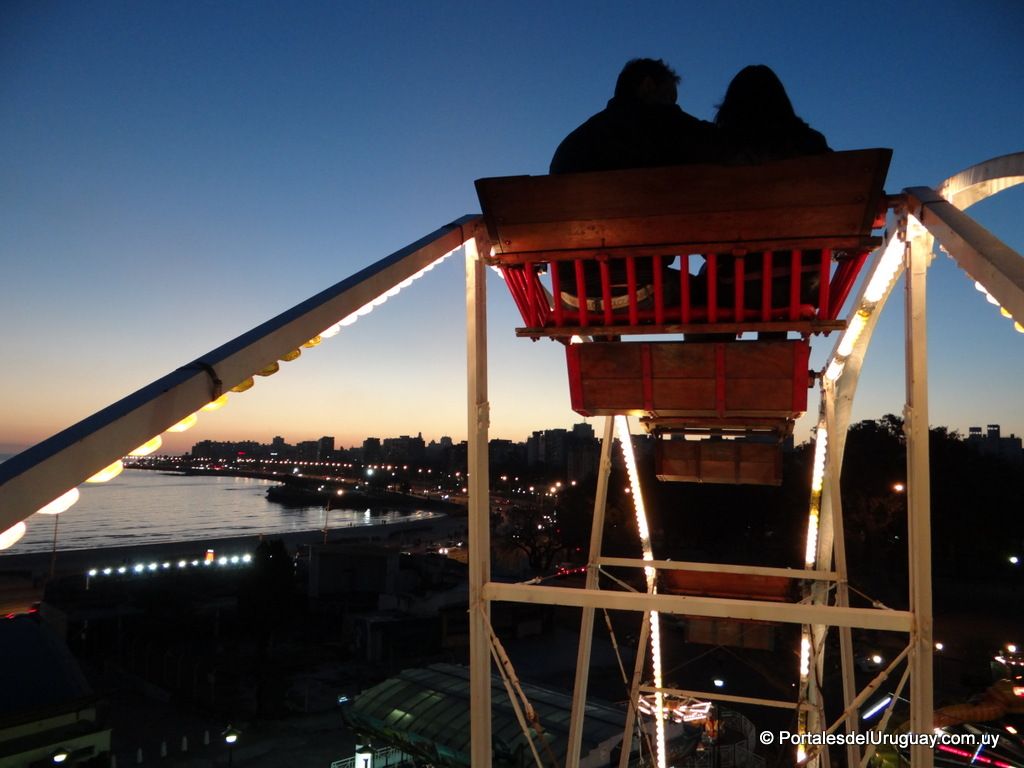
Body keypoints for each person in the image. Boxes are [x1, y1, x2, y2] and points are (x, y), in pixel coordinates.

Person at [550, 58, 718, 311]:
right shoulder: (666, 126)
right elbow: (722, 146)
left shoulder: (575, 142)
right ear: (648, 85)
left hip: (572, 295)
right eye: (670, 98)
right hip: (642, 289)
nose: (674, 107)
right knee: (714, 291)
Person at [698, 65, 832, 323]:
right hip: (804, 284)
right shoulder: (811, 144)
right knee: (782, 267)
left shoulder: (715, 149)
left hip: (734, 285)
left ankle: (713, 350)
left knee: (707, 280)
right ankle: (774, 344)